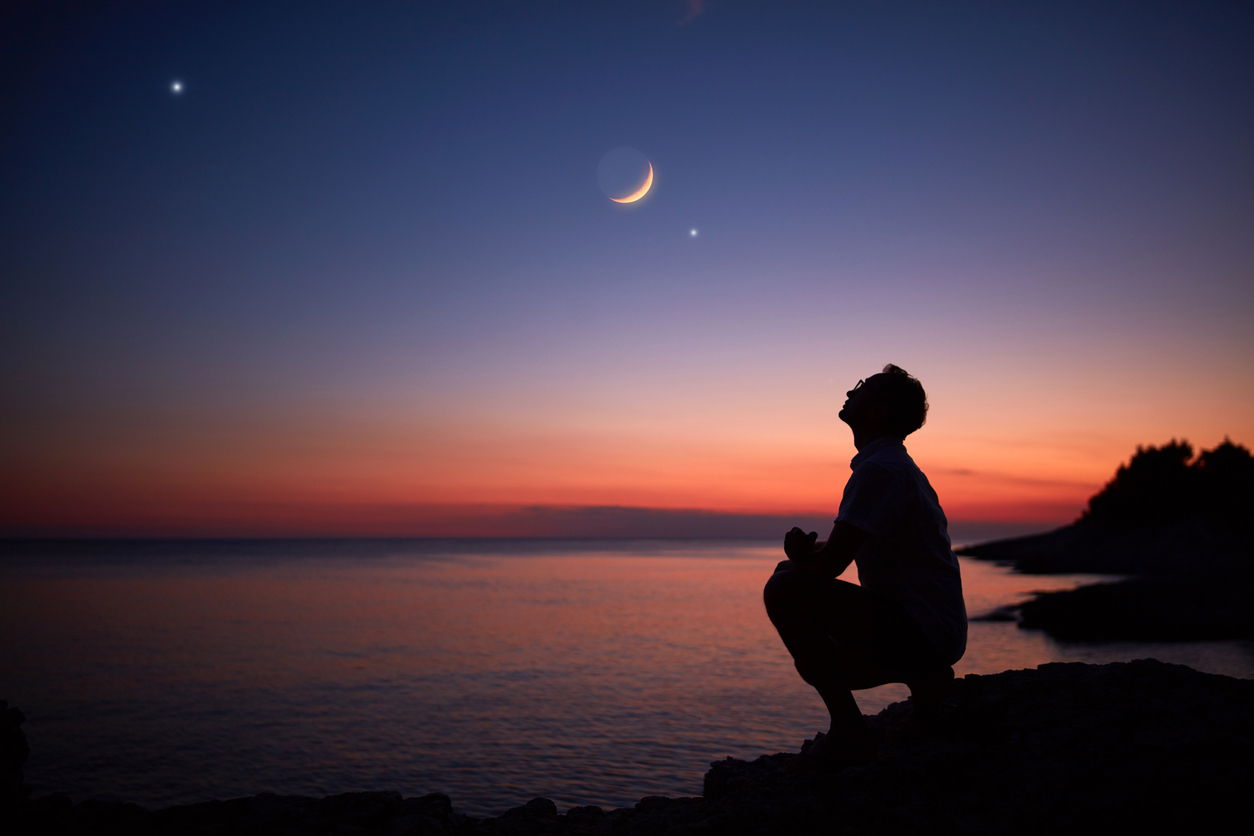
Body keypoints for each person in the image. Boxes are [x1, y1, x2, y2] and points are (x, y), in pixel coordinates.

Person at [763, 364, 966, 769]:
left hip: (922, 631)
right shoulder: (892, 466)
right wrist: (804, 555)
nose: (849, 392)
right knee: (794, 592)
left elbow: (833, 564)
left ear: (878, 411)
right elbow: (848, 547)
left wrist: (801, 558)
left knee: (784, 588)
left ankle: (850, 730)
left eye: (861, 388)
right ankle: (927, 685)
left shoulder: (880, 470)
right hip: (931, 629)